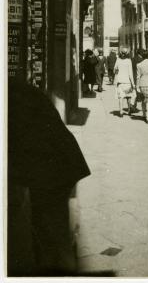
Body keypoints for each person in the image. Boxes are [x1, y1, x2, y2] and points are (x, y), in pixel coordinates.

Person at [8, 81, 90, 275]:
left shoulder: (12, 94)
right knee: (51, 232)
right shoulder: (18, 89)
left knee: (50, 235)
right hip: (56, 162)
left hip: (51, 167)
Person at [113, 47, 135, 117]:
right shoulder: (129, 61)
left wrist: (117, 72)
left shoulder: (118, 60)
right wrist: (133, 83)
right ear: (127, 53)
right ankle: (129, 110)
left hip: (120, 82)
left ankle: (121, 112)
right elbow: (130, 73)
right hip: (127, 82)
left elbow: (114, 70)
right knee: (128, 97)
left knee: (121, 97)